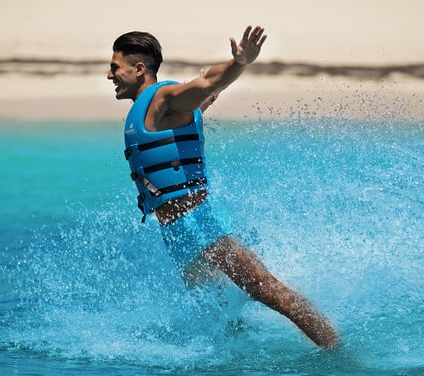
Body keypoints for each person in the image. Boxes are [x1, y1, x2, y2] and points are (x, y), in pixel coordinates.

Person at [107, 25, 338, 349]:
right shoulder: (155, 111)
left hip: (201, 223)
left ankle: (338, 351)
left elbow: (206, 83)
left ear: (139, 69)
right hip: (178, 233)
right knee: (219, 317)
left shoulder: (163, 99)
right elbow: (204, 97)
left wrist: (238, 63)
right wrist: (210, 97)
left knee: (265, 289)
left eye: (115, 67)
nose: (109, 75)